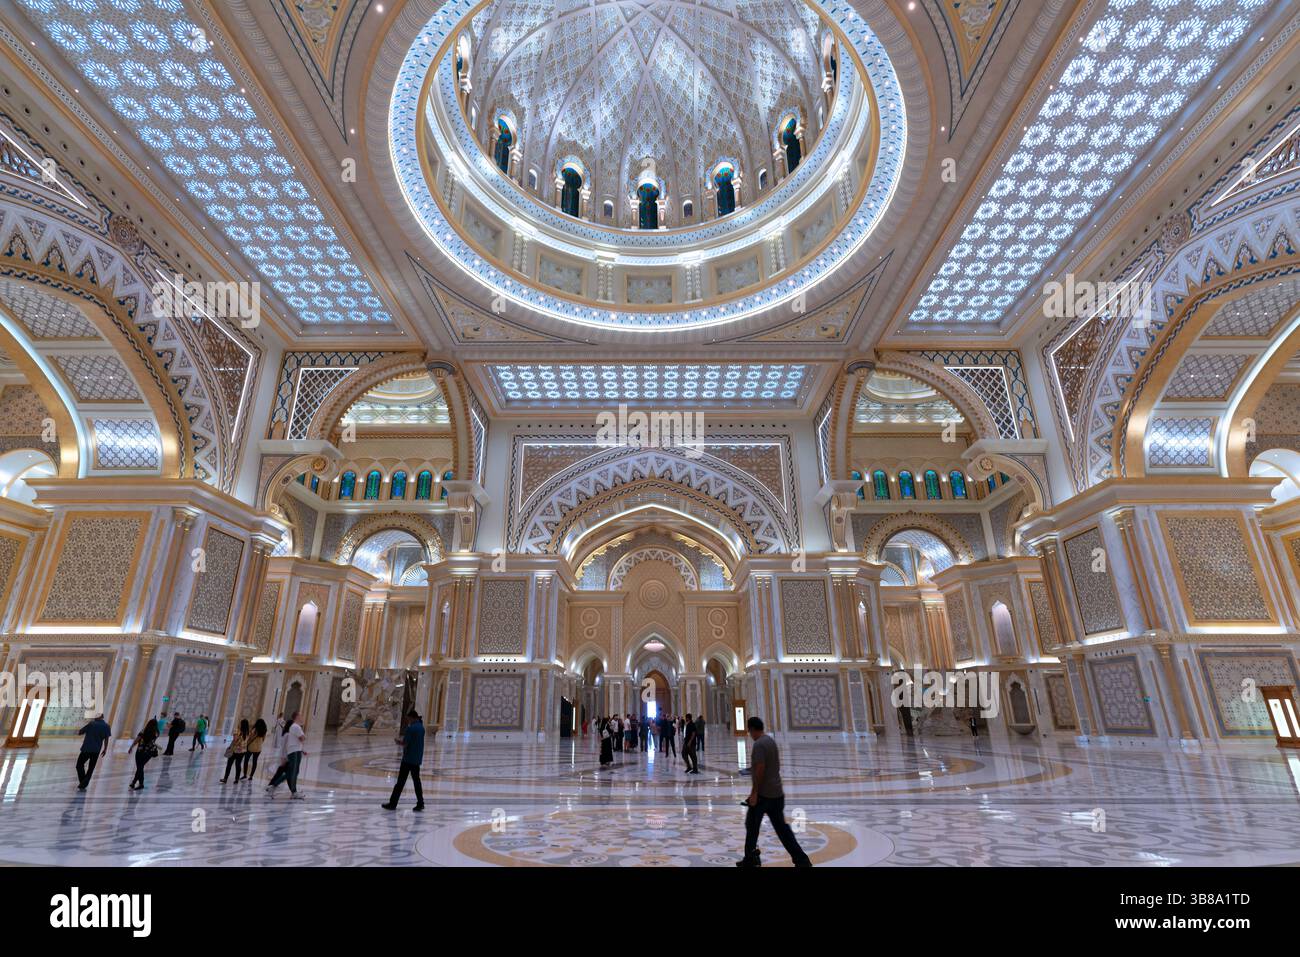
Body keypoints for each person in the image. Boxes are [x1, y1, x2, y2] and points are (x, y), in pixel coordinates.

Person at [737, 716, 811, 867]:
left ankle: (751, 859)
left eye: (749, 731)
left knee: (751, 827)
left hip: (764, 795)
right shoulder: (770, 741)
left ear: (751, 729)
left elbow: (760, 769)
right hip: (777, 793)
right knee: (783, 830)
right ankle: (802, 860)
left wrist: (754, 792)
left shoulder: (759, 745)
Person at [382, 710, 426, 811]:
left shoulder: (411, 728)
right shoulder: (421, 728)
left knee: (400, 782)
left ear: (412, 717)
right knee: (417, 782)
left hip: (407, 759)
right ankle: (420, 803)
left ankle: (392, 803)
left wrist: (398, 742)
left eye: (408, 718)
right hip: (416, 759)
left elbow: (405, 743)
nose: (408, 721)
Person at [266, 711, 305, 800]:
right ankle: (273, 786)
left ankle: (293, 791)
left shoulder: (290, 732)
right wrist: (283, 757)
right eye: (300, 716)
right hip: (290, 755)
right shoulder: (291, 732)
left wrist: (302, 750)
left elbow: (297, 743)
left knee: (292, 773)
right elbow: (285, 747)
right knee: (290, 773)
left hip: (293, 753)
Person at [75, 714, 111, 790]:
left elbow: (80, 732)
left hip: (86, 749)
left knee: (79, 765)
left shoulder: (92, 724)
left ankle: (83, 782)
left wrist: (78, 730)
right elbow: (106, 738)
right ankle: (84, 782)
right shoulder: (107, 726)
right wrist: (105, 749)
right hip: (96, 750)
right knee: (91, 767)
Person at [127, 719, 159, 790]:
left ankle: (141, 784)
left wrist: (131, 746)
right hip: (149, 752)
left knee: (140, 767)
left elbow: (137, 739)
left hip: (141, 751)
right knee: (140, 767)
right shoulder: (157, 732)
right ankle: (133, 782)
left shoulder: (144, 730)